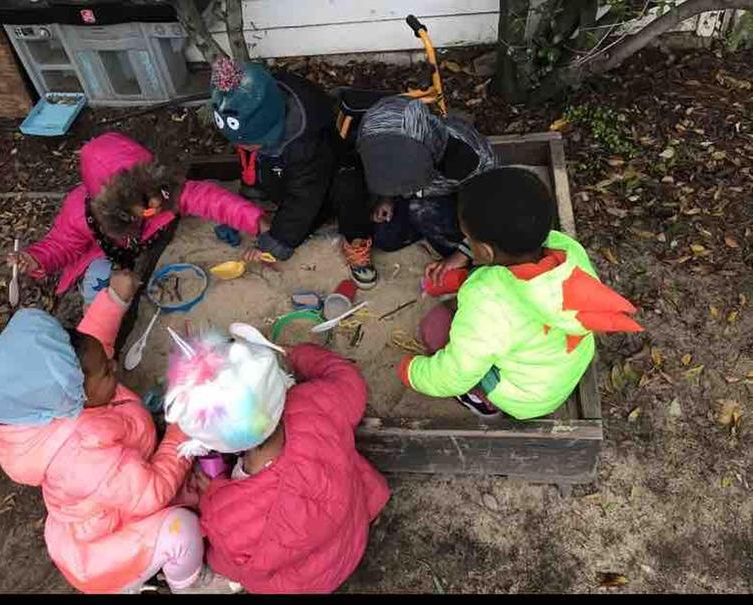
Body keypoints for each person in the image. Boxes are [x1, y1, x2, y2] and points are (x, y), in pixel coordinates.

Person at [0, 271, 231, 593]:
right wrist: (177, 435)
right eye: (107, 371)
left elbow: (93, 343)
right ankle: (188, 582)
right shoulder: (81, 454)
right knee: (183, 531)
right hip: (107, 546)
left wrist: (115, 299)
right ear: (74, 393)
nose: (115, 366)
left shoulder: (58, 394)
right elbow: (151, 493)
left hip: (112, 498)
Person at [397, 167, 643, 419]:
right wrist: (463, 276)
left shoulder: (489, 304)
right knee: (464, 316)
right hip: (563, 368)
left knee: (434, 328)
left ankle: (481, 400)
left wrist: (412, 372)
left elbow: (454, 373)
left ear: (485, 251)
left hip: (523, 398)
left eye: (467, 238)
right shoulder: (566, 249)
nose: (466, 242)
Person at [164, 331, 390, 593]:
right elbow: (348, 380)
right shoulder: (315, 403)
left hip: (306, 584)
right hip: (352, 534)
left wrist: (212, 493)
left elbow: (227, 564)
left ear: (213, 444)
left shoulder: (225, 512)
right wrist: (298, 353)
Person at [8, 132, 267, 344]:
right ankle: (99, 338)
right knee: (97, 285)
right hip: (105, 260)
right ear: (116, 208)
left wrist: (255, 220)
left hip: (140, 249)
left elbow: (208, 198)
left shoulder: (161, 195)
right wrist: (35, 258)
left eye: (155, 190)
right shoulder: (81, 214)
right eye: (144, 201)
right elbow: (61, 245)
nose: (156, 200)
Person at [209, 59, 377, 289]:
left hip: (328, 176)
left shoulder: (305, 141)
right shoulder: (261, 100)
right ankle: (284, 222)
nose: (248, 149)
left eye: (252, 144)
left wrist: (274, 243)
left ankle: (355, 240)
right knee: (286, 214)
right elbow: (250, 166)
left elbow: (303, 197)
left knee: (347, 187)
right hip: (293, 175)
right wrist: (243, 212)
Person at [352, 95, 497, 284]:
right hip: (419, 196)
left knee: (423, 213)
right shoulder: (376, 145)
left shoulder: (469, 157)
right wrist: (387, 196)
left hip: (458, 201)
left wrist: (462, 254)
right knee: (385, 238)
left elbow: (490, 210)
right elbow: (386, 168)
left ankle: (460, 251)